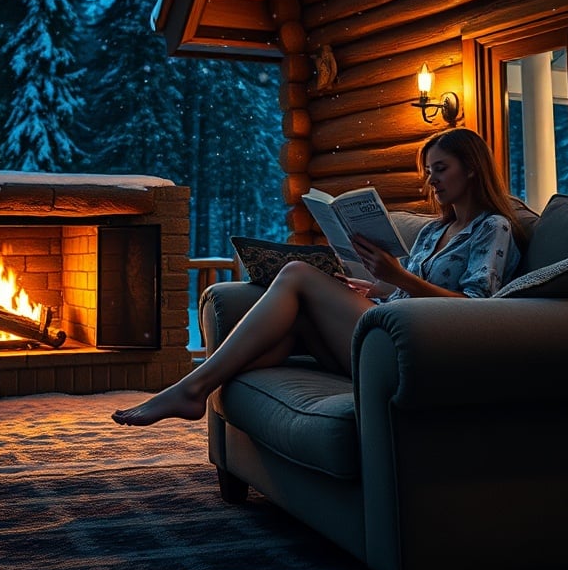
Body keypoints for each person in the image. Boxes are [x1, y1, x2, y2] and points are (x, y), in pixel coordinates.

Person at [112, 127, 523, 427]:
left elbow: (478, 309)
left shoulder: (493, 228)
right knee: (297, 320)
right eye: (428, 171)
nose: (431, 181)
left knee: (297, 274)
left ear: (471, 169)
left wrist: (402, 279)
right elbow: (403, 289)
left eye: (440, 169)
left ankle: (189, 388)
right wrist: (375, 284)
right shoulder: (434, 229)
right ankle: (199, 388)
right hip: (383, 322)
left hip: (414, 347)